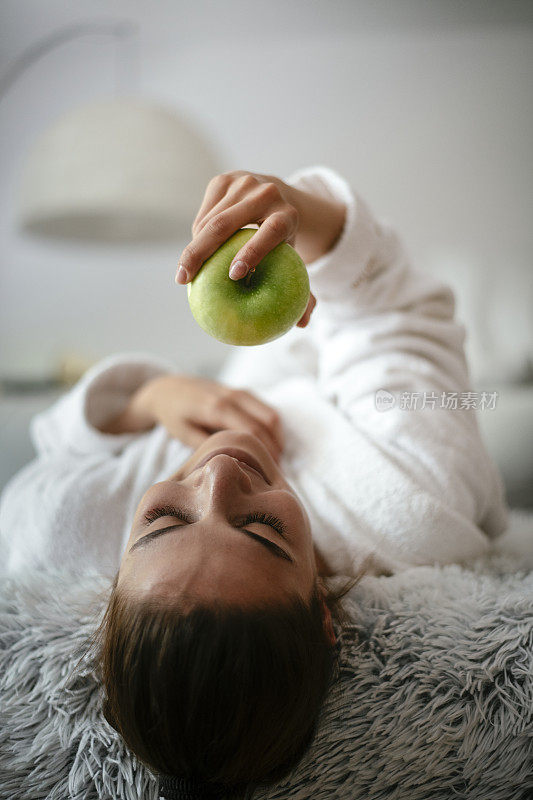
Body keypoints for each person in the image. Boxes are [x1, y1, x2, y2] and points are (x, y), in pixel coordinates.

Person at [0, 166, 508, 800]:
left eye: (164, 521)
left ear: (109, 589)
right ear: (324, 609)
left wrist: (148, 398)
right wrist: (317, 223)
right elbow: (393, 303)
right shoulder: (411, 498)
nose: (219, 477)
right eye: (264, 529)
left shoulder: (55, 530)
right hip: (329, 339)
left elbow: (58, 441)